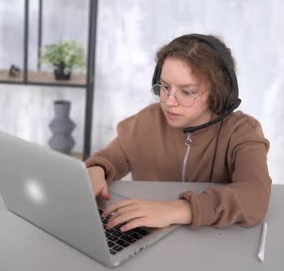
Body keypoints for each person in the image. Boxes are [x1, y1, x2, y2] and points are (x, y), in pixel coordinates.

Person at [85, 33, 271, 232]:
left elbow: (254, 197)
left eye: (187, 92)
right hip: (148, 237)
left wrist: (176, 210)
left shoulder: (242, 131)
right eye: (165, 87)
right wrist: (97, 170)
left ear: (219, 93)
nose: (169, 102)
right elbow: (111, 157)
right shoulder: (148, 119)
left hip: (211, 240)